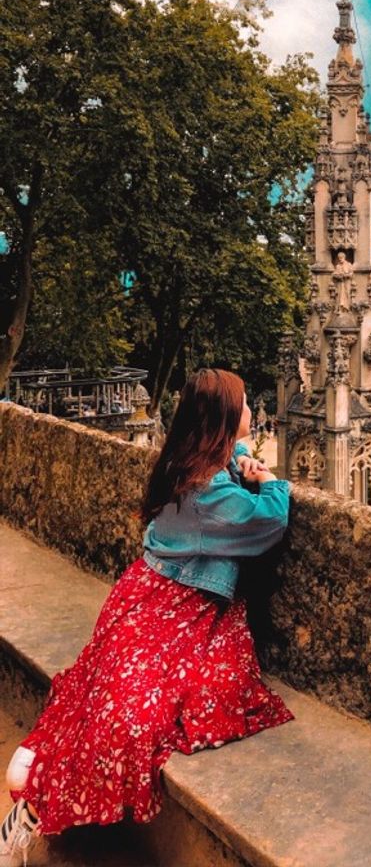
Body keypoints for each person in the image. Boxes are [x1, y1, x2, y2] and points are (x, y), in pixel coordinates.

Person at [1, 368, 294, 864]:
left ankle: (39, 774)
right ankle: (36, 802)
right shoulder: (210, 494)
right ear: (224, 418)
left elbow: (232, 456)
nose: (251, 409)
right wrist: (268, 481)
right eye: (244, 403)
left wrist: (243, 456)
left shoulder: (185, 463)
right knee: (135, 716)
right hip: (176, 608)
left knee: (102, 691)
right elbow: (270, 520)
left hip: (143, 595)